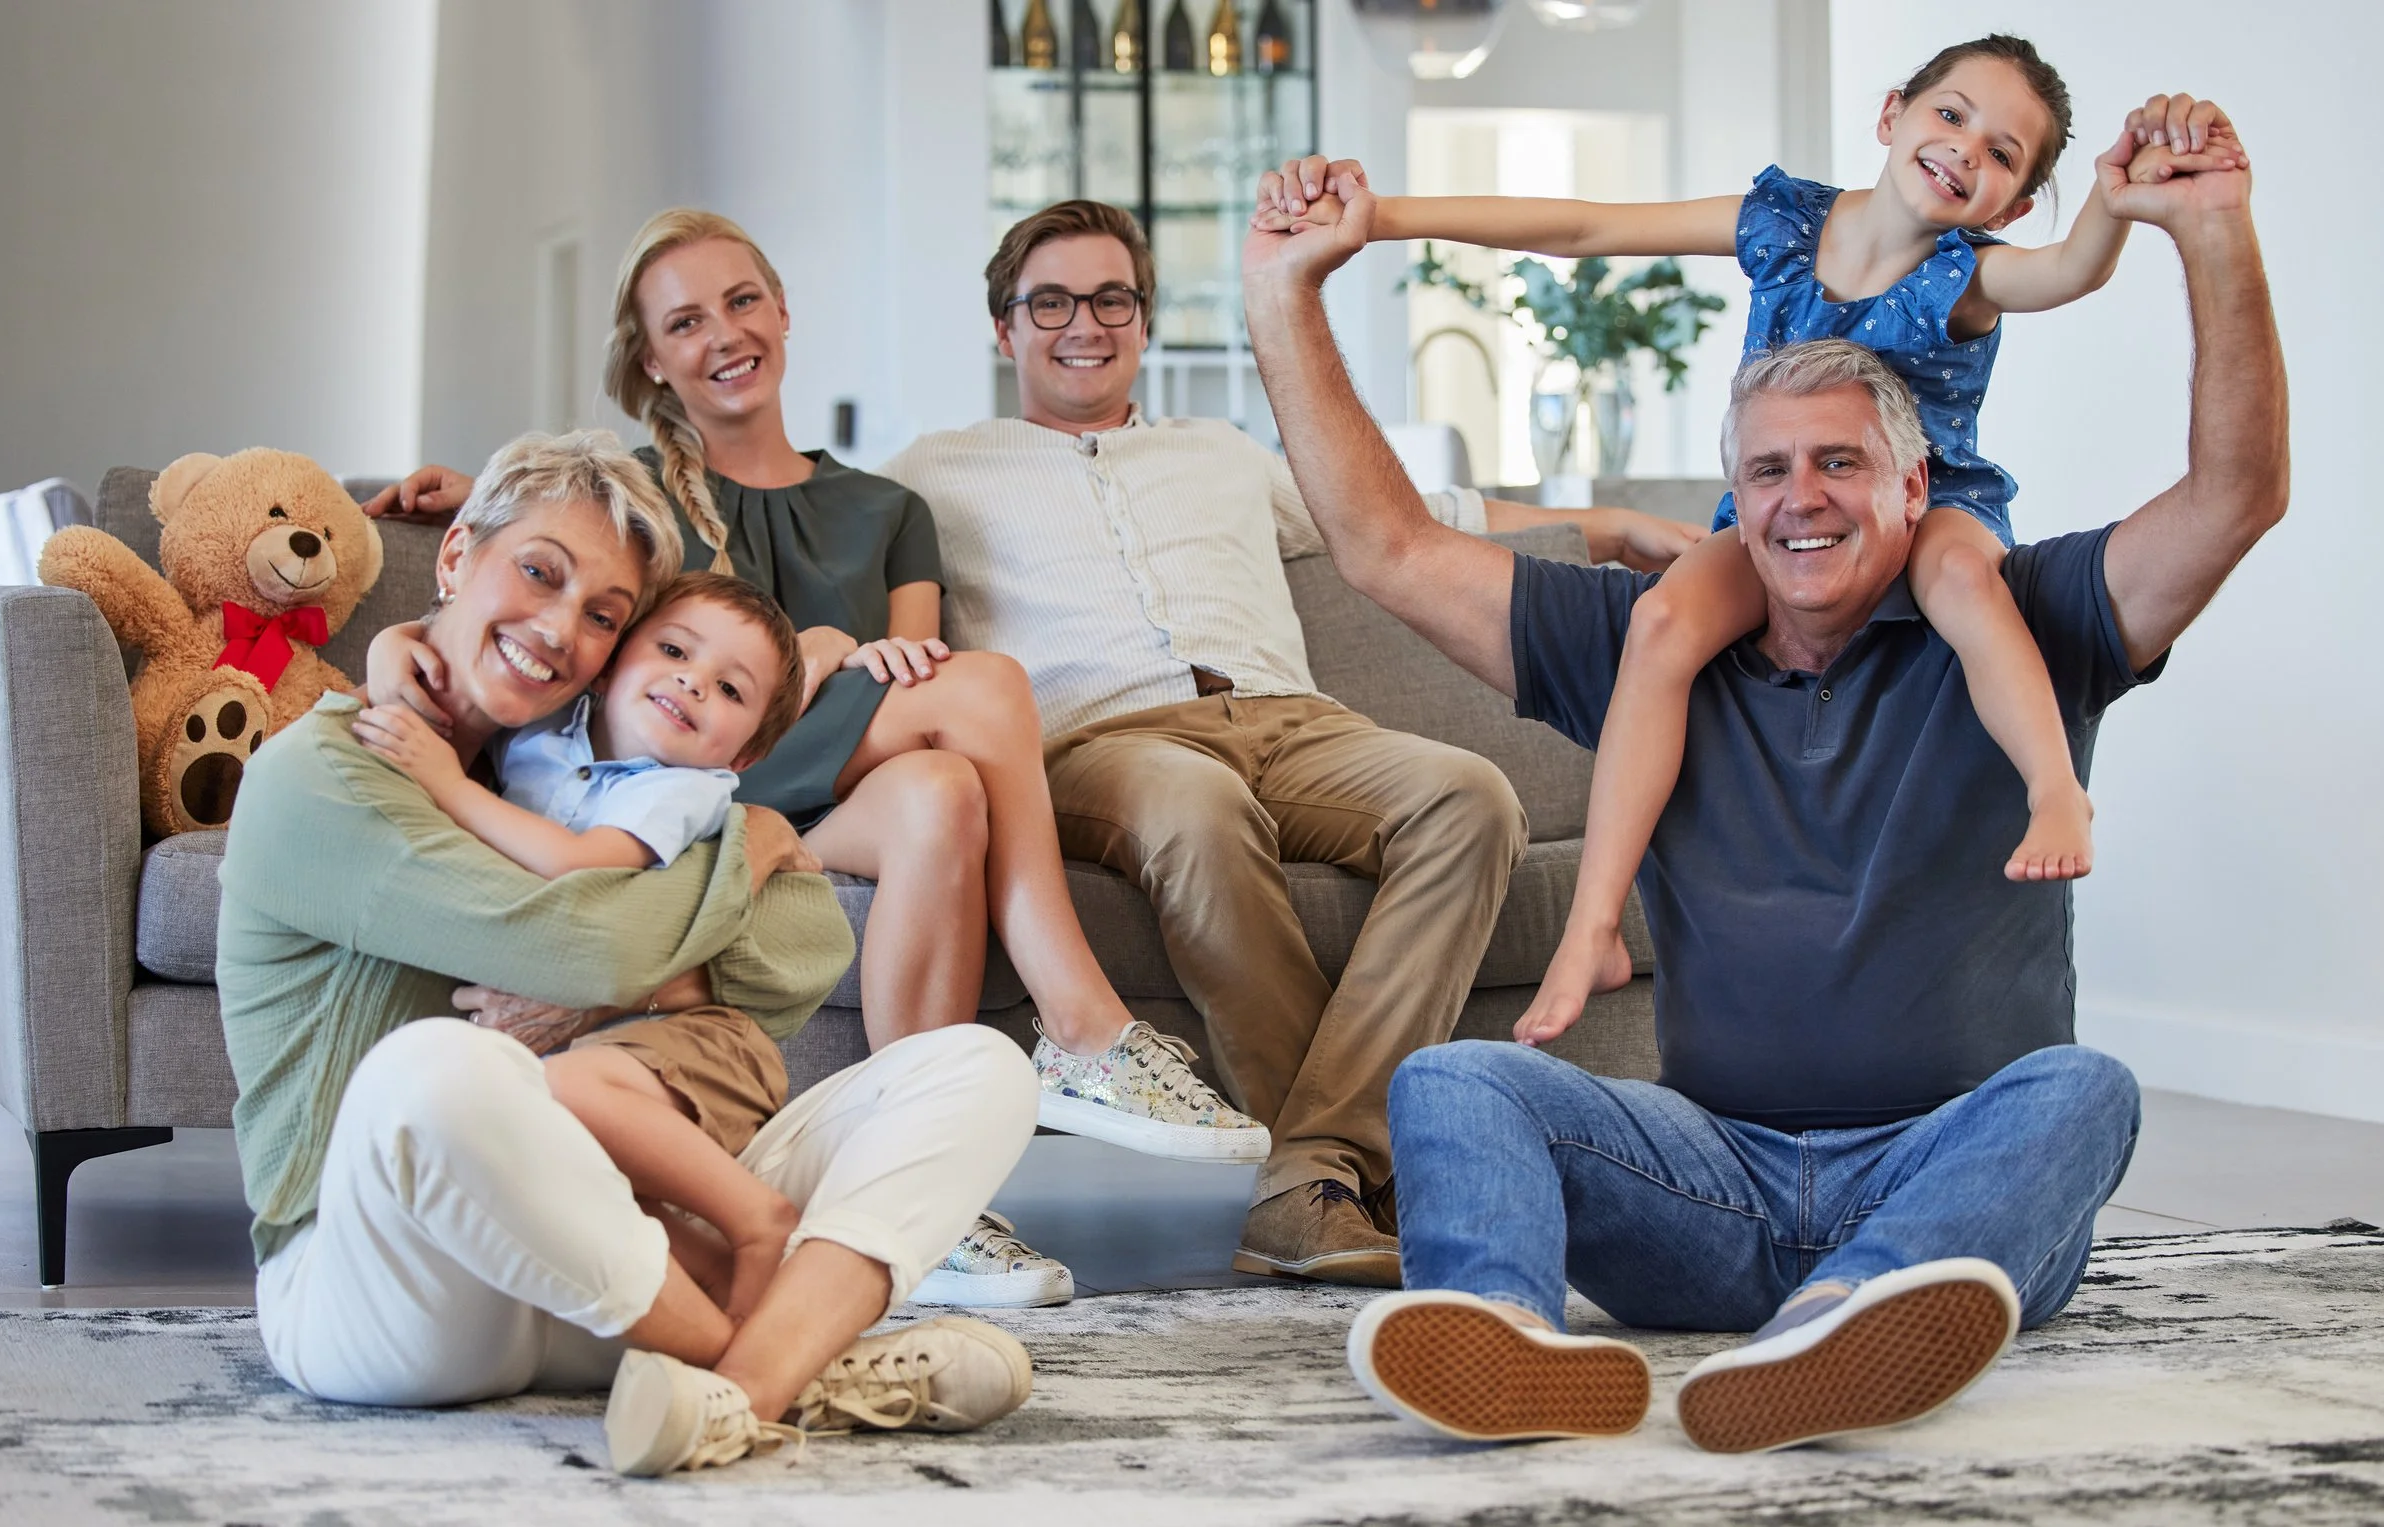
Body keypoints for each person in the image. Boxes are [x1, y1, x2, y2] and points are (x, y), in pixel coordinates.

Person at [1241, 98, 2278, 1450]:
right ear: (1731, 494)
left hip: (1948, 1179)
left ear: (1922, 487)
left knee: (2085, 1091)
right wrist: (1283, 292)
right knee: (1452, 1081)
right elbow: (1384, 548)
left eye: (1842, 462)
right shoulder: (1653, 638)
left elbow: (2235, 493)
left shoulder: (2027, 616)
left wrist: (2211, 235)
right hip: (1706, 1185)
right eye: (1769, 470)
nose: (1802, 499)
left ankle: (1848, 1319)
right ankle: (1498, 1341)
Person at [1261, 37, 2247, 1047]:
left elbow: (2075, 270)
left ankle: (2054, 791)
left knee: (1960, 580)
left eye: (2002, 154)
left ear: (2008, 206)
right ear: (1891, 114)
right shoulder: (1783, 223)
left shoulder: (1970, 276)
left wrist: (2118, 196)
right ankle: (1596, 925)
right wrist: (1380, 219)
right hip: (1779, 517)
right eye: (1951, 115)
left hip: (1925, 501)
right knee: (1664, 626)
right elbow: (1584, 225)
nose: (1964, 151)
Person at [367, 210, 1272, 1311]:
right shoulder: (636, 500)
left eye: (742, 302)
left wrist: (858, 654)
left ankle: (920, 1194)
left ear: (782, 312)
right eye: (685, 322)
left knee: (942, 786)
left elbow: (920, 656)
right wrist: (434, 555)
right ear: (652, 358)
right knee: (987, 688)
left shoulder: (888, 509)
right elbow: (540, 572)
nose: (724, 335)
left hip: (808, 793)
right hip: (689, 787)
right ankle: (1085, 1031)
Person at [880, 199, 1701, 1287]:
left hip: (1293, 722)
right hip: (1105, 742)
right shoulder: (933, 471)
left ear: (1144, 319)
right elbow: (846, 569)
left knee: (1470, 796)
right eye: (1051, 303)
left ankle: (1308, 1176)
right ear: (1006, 330)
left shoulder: (1223, 452)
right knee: (1195, 808)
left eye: (1111, 298)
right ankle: (1348, 1179)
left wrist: (1607, 528)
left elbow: (1408, 510)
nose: (1084, 323)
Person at [218, 429, 1044, 1477]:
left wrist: (666, 949)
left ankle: (737, 1389)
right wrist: (745, 847)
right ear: (457, 555)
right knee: (443, 1072)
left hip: (603, 1247)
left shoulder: (562, 754)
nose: (559, 629)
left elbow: (803, 943)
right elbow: (584, 951)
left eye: (603, 616)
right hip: (381, 1285)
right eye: (537, 572)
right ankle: (801, 1376)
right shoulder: (326, 776)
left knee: (974, 1066)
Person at [353, 571, 825, 1326]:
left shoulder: (682, 789)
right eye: (674, 648)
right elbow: (457, 645)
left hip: (700, 1040)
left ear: (739, 760)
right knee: (554, 1176)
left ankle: (758, 1218)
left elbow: (580, 864)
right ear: (609, 665)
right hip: (607, 1046)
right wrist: (386, 646)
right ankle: (731, 1305)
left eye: (730, 691)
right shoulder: (548, 729)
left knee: (560, 1095)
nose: (692, 681)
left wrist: (447, 782)